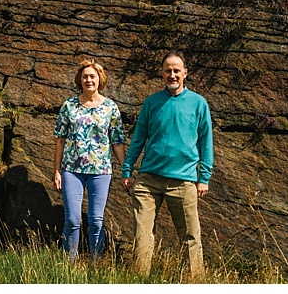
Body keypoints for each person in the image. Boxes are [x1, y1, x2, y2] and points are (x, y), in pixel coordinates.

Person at [122, 51, 214, 281]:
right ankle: (139, 281)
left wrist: (204, 178)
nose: (172, 75)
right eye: (167, 71)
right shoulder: (152, 102)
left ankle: (195, 282)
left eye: (176, 70)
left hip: (183, 182)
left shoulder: (198, 103)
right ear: (162, 73)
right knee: (142, 235)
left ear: (185, 73)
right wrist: (127, 169)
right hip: (148, 181)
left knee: (191, 236)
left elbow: (206, 142)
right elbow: (138, 138)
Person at [53, 58, 125, 259]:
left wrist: (126, 170)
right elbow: (60, 140)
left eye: (92, 76)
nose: (88, 80)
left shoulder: (111, 107)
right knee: (73, 220)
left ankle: (96, 263)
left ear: (100, 79)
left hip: (101, 171)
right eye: (85, 76)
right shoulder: (69, 105)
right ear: (80, 79)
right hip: (71, 170)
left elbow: (117, 143)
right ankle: (69, 265)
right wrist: (57, 170)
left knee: (95, 220)